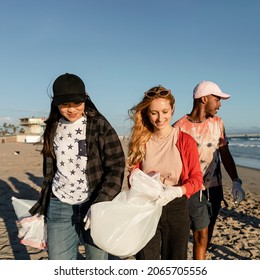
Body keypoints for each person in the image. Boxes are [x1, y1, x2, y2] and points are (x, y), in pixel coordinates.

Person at [29, 73, 125, 260]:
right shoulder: (52, 127)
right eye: (65, 105)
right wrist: (43, 204)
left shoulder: (99, 125)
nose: (71, 109)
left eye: (77, 104)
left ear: (85, 99)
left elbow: (116, 166)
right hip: (59, 205)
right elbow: (50, 172)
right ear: (56, 103)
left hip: (94, 204)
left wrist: (100, 202)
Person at [127, 85, 203, 260]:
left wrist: (176, 190)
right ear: (147, 112)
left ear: (173, 109)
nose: (160, 118)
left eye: (165, 111)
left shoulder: (185, 141)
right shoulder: (140, 141)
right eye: (154, 113)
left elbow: (196, 179)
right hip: (147, 206)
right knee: (146, 260)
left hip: (176, 207)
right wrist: (138, 180)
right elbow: (132, 178)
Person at [174, 80, 246, 259]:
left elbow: (225, 153)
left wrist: (236, 181)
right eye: (218, 99)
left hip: (214, 188)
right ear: (204, 99)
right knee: (194, 234)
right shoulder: (179, 128)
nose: (220, 104)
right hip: (190, 190)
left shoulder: (218, 124)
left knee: (207, 235)